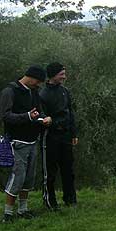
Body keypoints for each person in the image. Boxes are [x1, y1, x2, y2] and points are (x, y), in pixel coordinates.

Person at [0, 65, 52, 222]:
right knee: (17, 177)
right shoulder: (9, 91)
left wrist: (45, 118)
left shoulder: (33, 92)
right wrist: (27, 116)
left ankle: (23, 210)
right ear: (32, 78)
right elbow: (5, 116)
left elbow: (38, 112)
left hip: (32, 141)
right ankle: (7, 214)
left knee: (28, 178)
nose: (39, 85)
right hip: (16, 142)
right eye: (38, 82)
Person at [40, 62, 79, 210]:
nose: (64, 77)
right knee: (50, 171)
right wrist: (53, 122)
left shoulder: (65, 91)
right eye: (61, 74)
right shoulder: (43, 94)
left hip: (66, 135)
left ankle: (71, 199)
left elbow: (70, 112)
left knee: (68, 169)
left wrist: (74, 133)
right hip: (51, 137)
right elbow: (43, 117)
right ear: (53, 76)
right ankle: (50, 202)